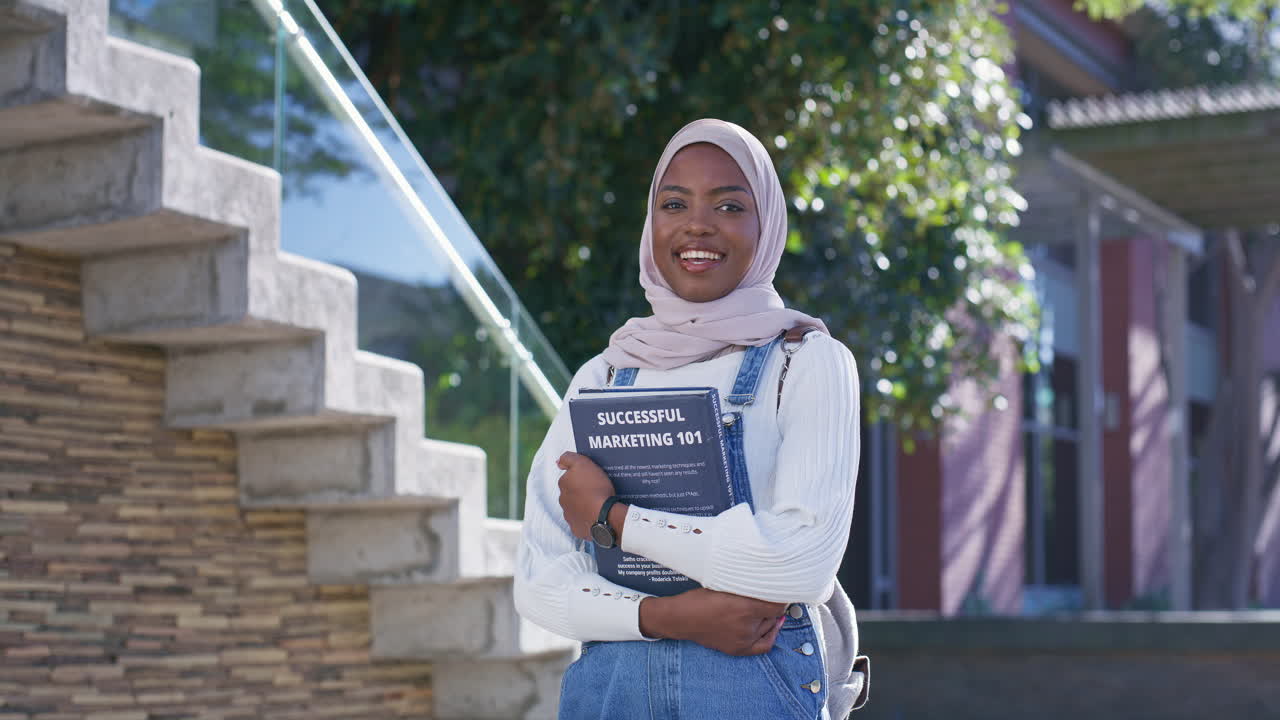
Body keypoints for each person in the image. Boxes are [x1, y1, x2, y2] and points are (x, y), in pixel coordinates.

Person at [514, 118, 868, 719]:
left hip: (756, 689)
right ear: (652, 223)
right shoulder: (603, 376)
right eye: (674, 203)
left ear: (768, 227)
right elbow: (539, 584)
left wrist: (613, 518)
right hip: (613, 693)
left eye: (729, 205)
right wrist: (669, 617)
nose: (697, 224)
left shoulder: (807, 364)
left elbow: (800, 564)